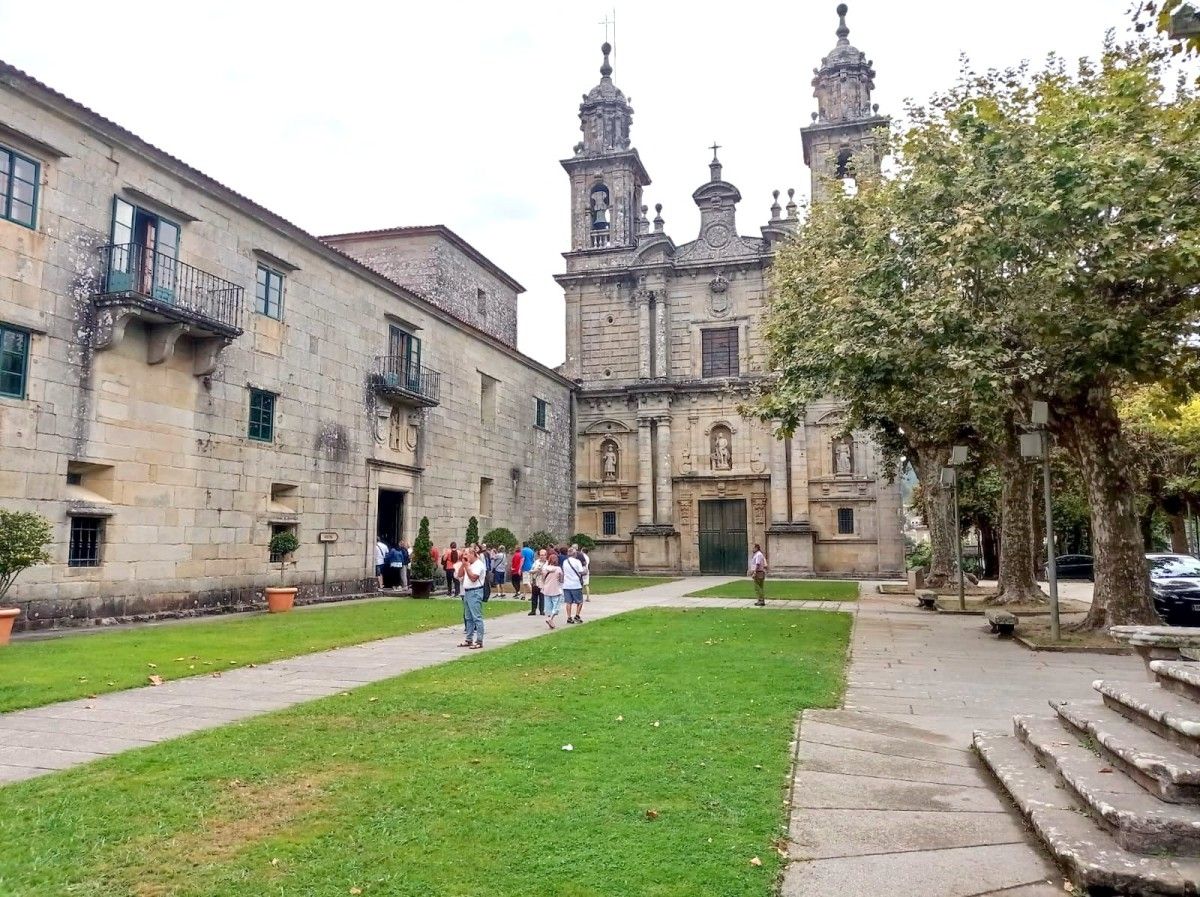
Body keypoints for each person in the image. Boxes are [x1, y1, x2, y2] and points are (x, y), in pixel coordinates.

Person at [456, 546, 487, 649]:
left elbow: (473, 578)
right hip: (467, 592)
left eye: (466, 554)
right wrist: (463, 565)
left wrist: (467, 567)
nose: (465, 556)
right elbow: (459, 575)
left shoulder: (479, 565)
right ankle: (469, 639)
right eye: (464, 554)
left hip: (475, 591)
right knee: (468, 617)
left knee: (477, 617)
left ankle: (479, 640)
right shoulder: (467, 564)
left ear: (473, 554)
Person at [562, 545, 587, 624]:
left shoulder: (565, 562)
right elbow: (581, 571)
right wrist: (585, 572)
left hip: (566, 584)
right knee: (579, 601)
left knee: (568, 602)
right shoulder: (577, 562)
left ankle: (569, 617)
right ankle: (577, 615)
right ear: (575, 554)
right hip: (575, 584)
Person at [541, 550, 564, 629]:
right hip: (556, 589)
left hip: (547, 590)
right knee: (556, 606)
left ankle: (550, 620)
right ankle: (550, 619)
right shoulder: (558, 569)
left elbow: (543, 579)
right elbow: (561, 580)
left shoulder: (545, 569)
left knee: (548, 606)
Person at [528, 548, 547, 616]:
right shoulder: (536, 562)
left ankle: (542, 610)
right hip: (535, 581)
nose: (542, 556)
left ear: (546, 555)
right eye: (540, 555)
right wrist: (535, 570)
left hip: (543, 582)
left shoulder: (547, 563)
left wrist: (542, 572)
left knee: (542, 597)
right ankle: (533, 610)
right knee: (534, 597)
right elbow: (530, 571)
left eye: (543, 555)